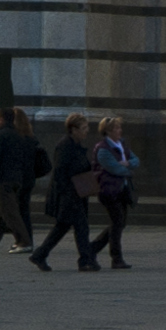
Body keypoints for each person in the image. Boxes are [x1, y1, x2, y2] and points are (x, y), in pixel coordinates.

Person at [31, 115, 98, 273]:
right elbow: (61, 172)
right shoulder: (65, 146)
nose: (87, 131)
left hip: (76, 193)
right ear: (73, 129)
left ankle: (40, 254)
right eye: (83, 128)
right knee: (81, 227)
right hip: (69, 194)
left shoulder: (75, 145)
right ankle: (85, 260)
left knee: (62, 227)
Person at [0, 106, 42, 256]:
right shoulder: (18, 136)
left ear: (1, 119)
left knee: (9, 212)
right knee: (1, 212)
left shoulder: (0, 135)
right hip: (17, 178)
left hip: (3, 179)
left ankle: (24, 241)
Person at [88, 116, 138, 270]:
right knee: (117, 222)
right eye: (116, 128)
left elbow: (136, 160)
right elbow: (114, 168)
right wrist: (127, 170)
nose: (120, 131)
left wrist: (128, 164)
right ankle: (116, 258)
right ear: (108, 131)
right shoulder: (102, 148)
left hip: (122, 189)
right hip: (108, 190)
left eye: (119, 128)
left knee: (120, 223)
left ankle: (91, 249)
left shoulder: (121, 145)